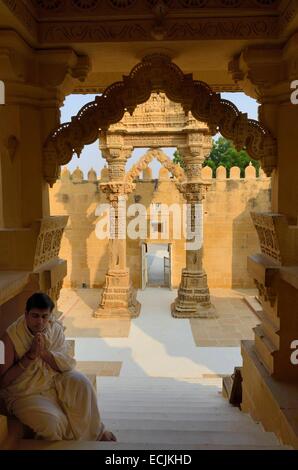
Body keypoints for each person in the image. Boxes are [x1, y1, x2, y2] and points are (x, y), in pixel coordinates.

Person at [0, 292, 116, 442]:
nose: (40, 322)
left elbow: (66, 363)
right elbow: (3, 381)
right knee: (51, 422)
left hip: (55, 379)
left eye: (44, 317)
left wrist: (43, 353)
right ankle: (69, 440)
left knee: (83, 384)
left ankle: (95, 434)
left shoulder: (54, 329)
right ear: (26, 314)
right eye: (35, 316)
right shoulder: (8, 339)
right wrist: (30, 356)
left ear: (50, 316)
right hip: (24, 393)